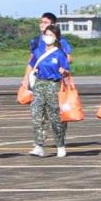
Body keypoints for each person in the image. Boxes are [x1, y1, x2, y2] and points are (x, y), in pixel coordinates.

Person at [25, 25, 71, 158]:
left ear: (56, 37)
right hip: (39, 85)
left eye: (51, 35)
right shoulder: (38, 51)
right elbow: (31, 65)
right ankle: (38, 145)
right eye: (46, 34)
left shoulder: (59, 53)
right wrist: (26, 81)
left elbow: (67, 71)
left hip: (53, 85)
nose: (48, 37)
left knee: (56, 118)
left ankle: (60, 144)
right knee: (36, 116)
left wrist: (64, 72)